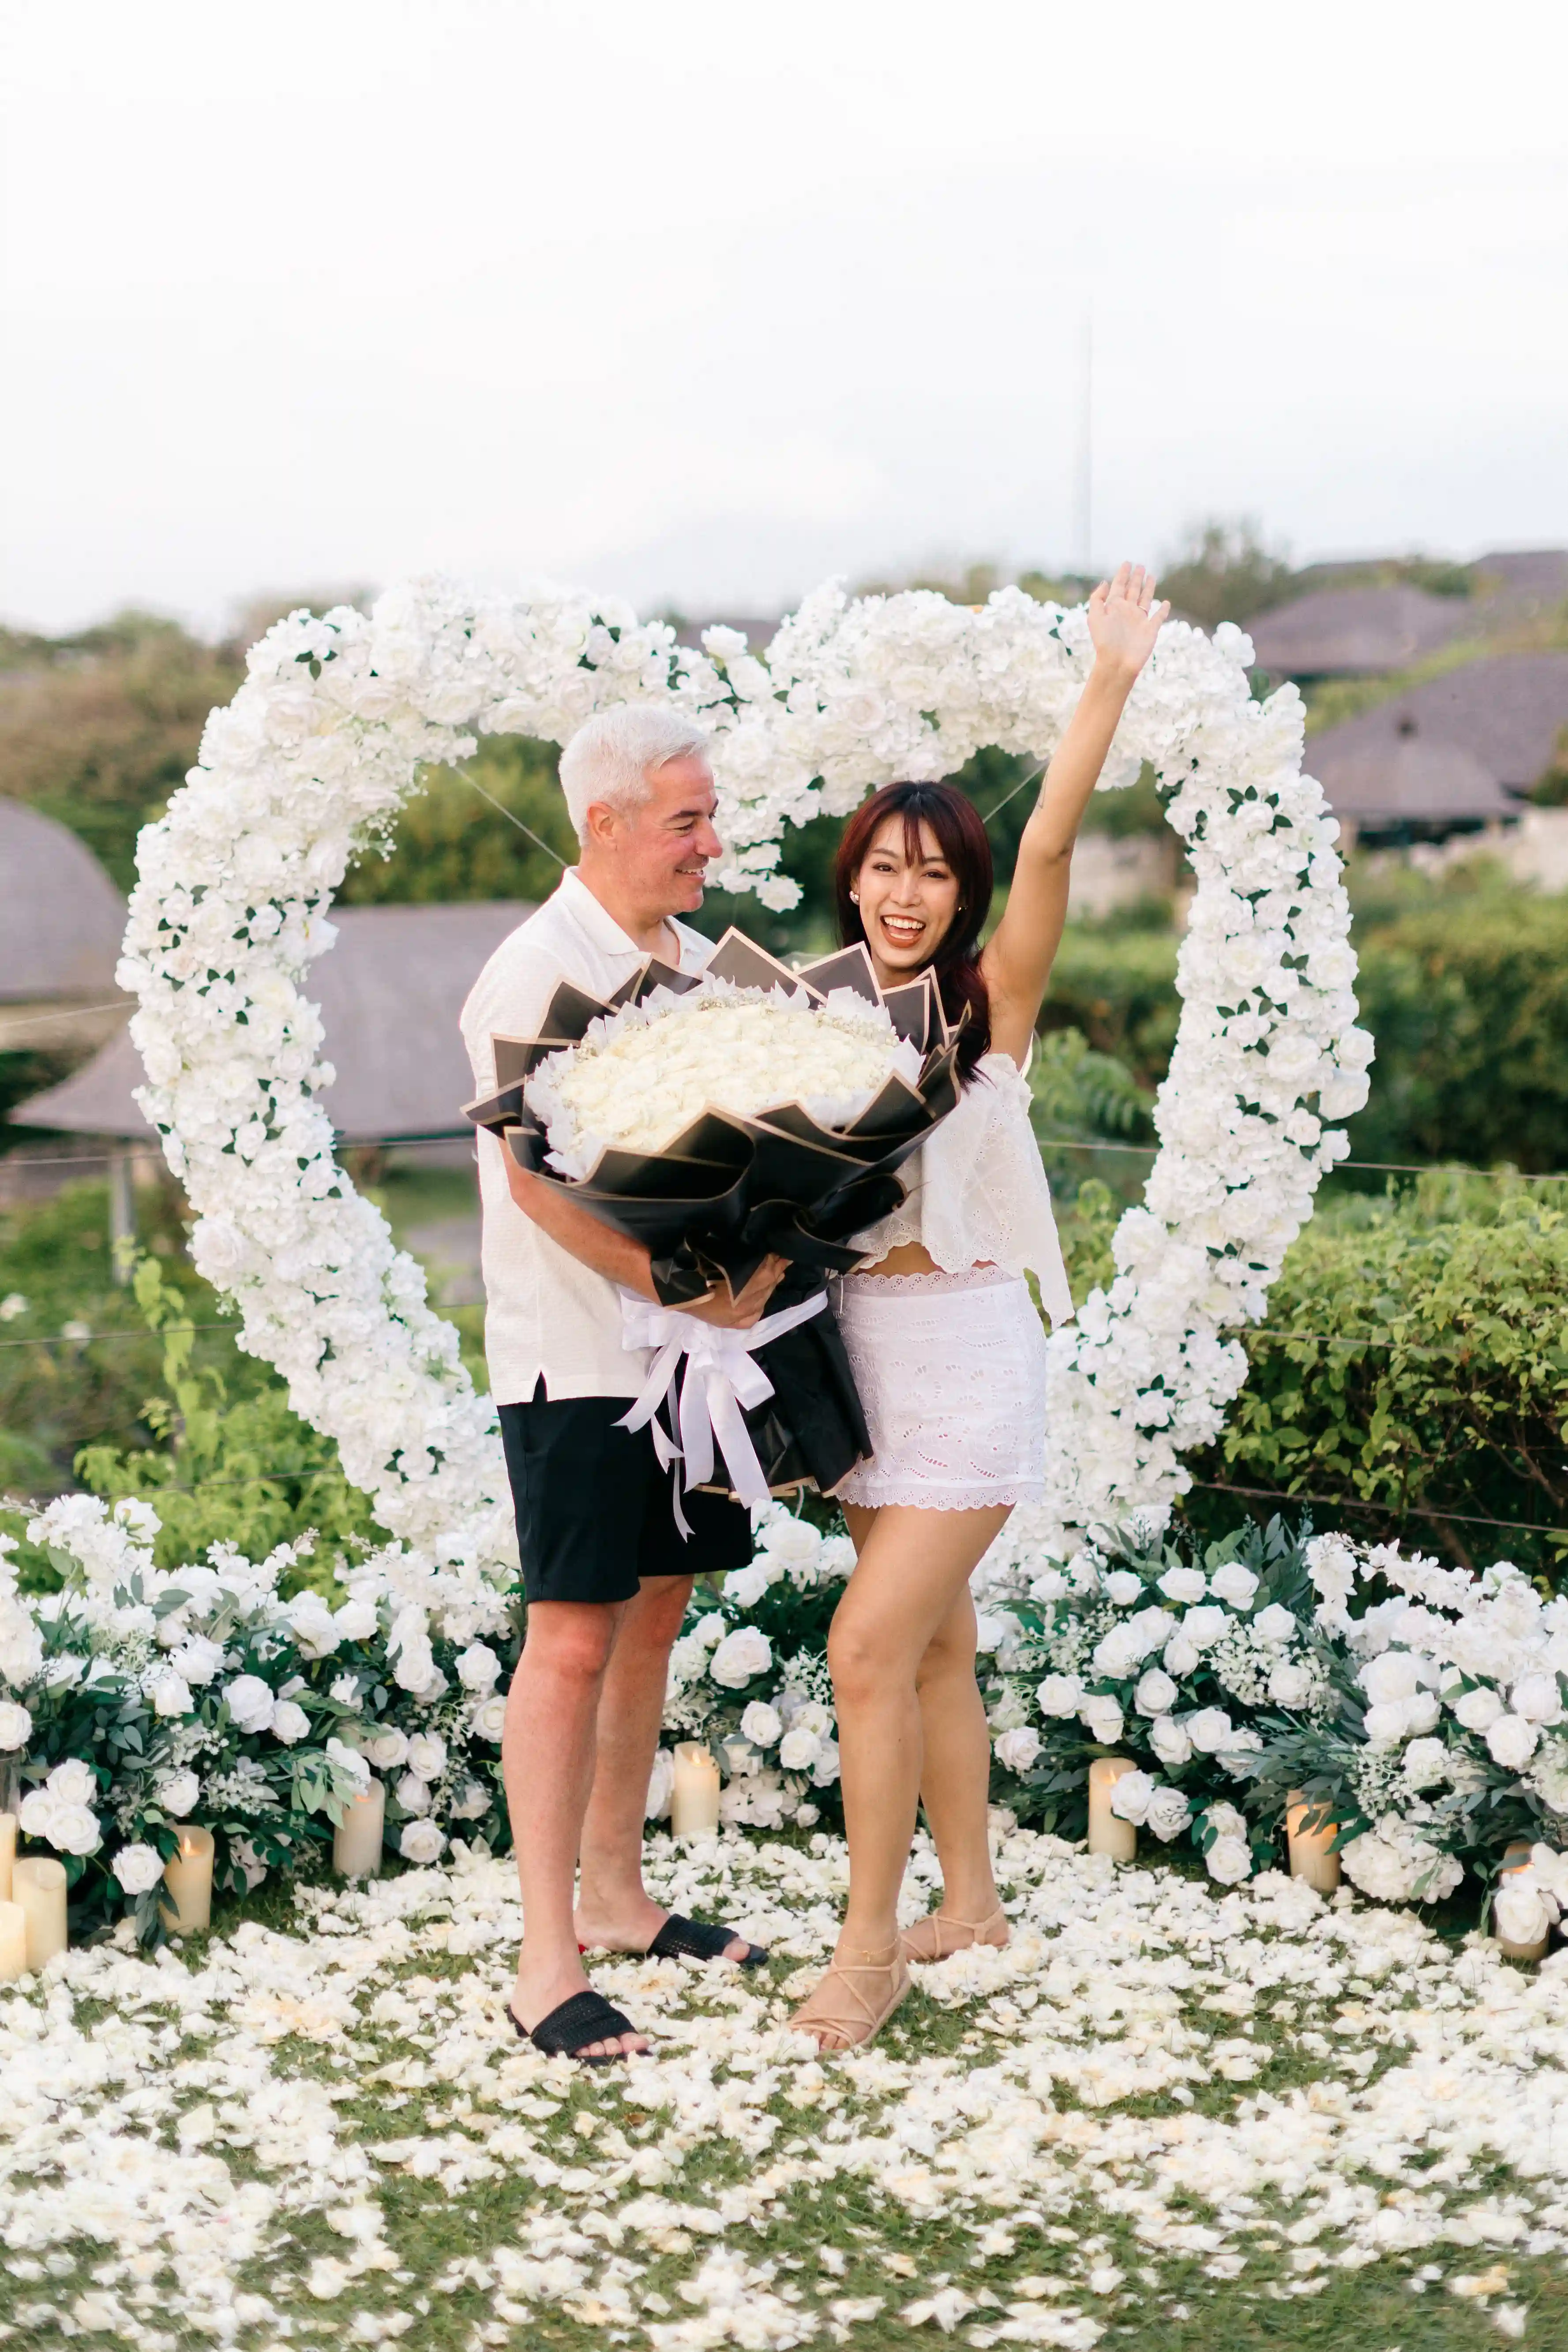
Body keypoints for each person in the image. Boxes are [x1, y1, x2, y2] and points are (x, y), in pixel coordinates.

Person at [792, 563, 1170, 2052]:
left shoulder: (987, 1003)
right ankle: (975, 1901)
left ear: (960, 892)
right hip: (857, 1365)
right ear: (853, 878)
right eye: (884, 867)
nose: (905, 892)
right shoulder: (810, 1010)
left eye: (933, 871)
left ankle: (869, 1951)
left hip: (964, 1356)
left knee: (866, 1649)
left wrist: (1109, 681)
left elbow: (1058, 841)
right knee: (933, 1645)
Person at [461, 705, 787, 2065]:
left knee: (654, 1617)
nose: (712, 843)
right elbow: (529, 1187)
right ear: (602, 824)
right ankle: (545, 1967)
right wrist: (666, 1287)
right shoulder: (529, 976)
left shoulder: (703, 968)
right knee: (574, 1637)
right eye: (687, 821)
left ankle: (616, 1898)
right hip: (580, 1361)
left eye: (710, 816)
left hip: (693, 1361)